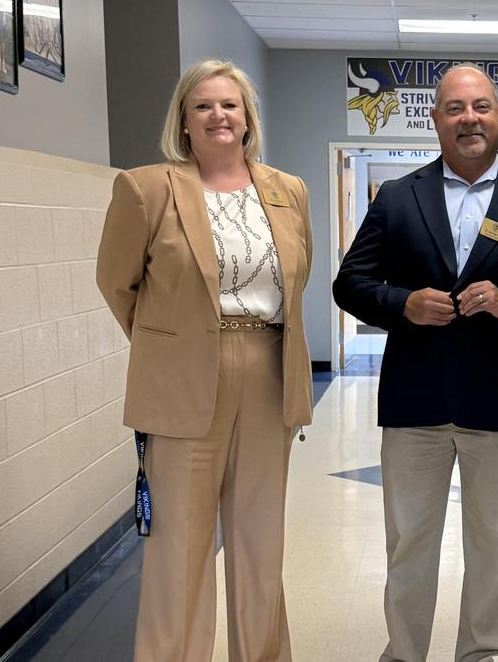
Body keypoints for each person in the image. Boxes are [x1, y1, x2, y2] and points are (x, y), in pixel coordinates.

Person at [333, 64, 498, 662]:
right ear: (436, 120)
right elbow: (350, 284)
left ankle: (479, 652)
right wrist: (403, 304)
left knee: (496, 543)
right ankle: (404, 651)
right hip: (414, 402)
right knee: (409, 542)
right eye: (454, 108)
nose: (468, 119)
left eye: (481, 107)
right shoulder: (399, 197)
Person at [96, 59, 313, 662]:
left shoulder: (287, 191)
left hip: (269, 371)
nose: (219, 115)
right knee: (180, 548)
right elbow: (117, 284)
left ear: (248, 118)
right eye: (204, 106)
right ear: (184, 121)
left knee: (259, 540)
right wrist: (172, 343)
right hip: (184, 379)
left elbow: (298, 278)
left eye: (230, 105)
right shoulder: (145, 189)